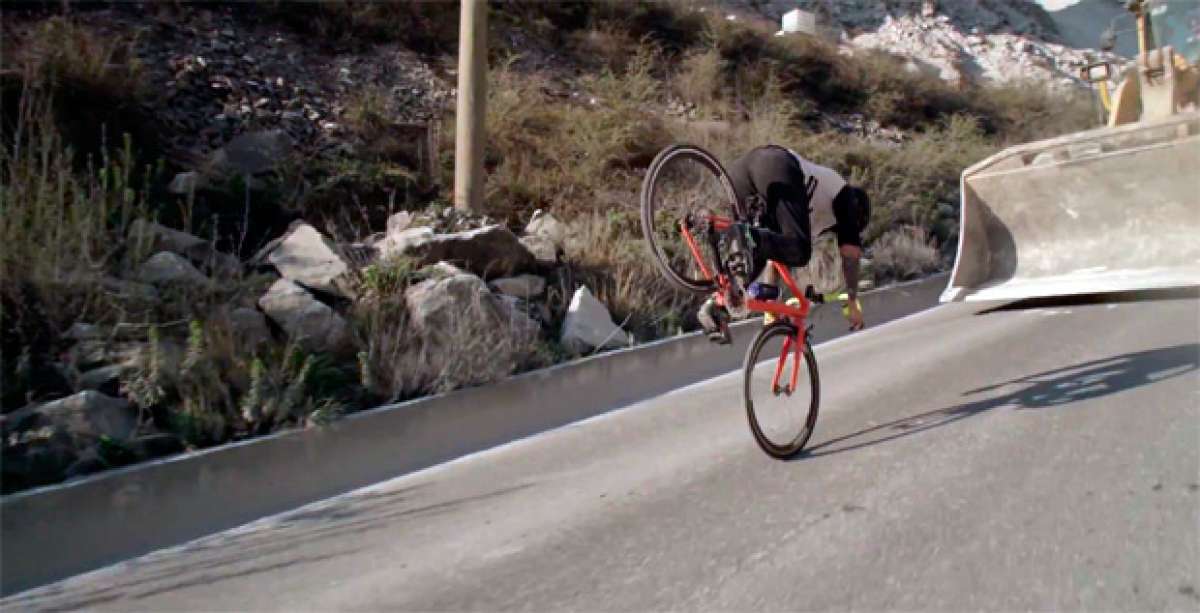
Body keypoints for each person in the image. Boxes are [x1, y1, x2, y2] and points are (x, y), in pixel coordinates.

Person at [698, 145, 870, 342]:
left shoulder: (809, 219)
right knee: (798, 250)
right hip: (777, 166)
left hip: (742, 172)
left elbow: (776, 255)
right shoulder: (844, 193)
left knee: (751, 257)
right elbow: (850, 254)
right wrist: (852, 299)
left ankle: (716, 304)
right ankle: (743, 236)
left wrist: (771, 304)